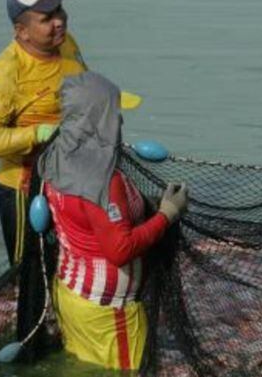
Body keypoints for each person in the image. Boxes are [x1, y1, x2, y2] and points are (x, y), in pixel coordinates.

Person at [39, 71, 188, 370]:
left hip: (72, 295)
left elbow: (88, 220)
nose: (120, 121)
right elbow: (119, 249)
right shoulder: (105, 180)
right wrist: (167, 214)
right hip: (108, 312)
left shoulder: (57, 156)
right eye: (115, 114)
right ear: (97, 120)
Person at [0, 0, 88, 265]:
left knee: (68, 264)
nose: (59, 21)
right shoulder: (3, 74)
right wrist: (38, 132)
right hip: (25, 190)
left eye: (60, 10)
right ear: (21, 31)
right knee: (30, 272)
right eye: (47, 18)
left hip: (69, 179)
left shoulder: (67, 44)